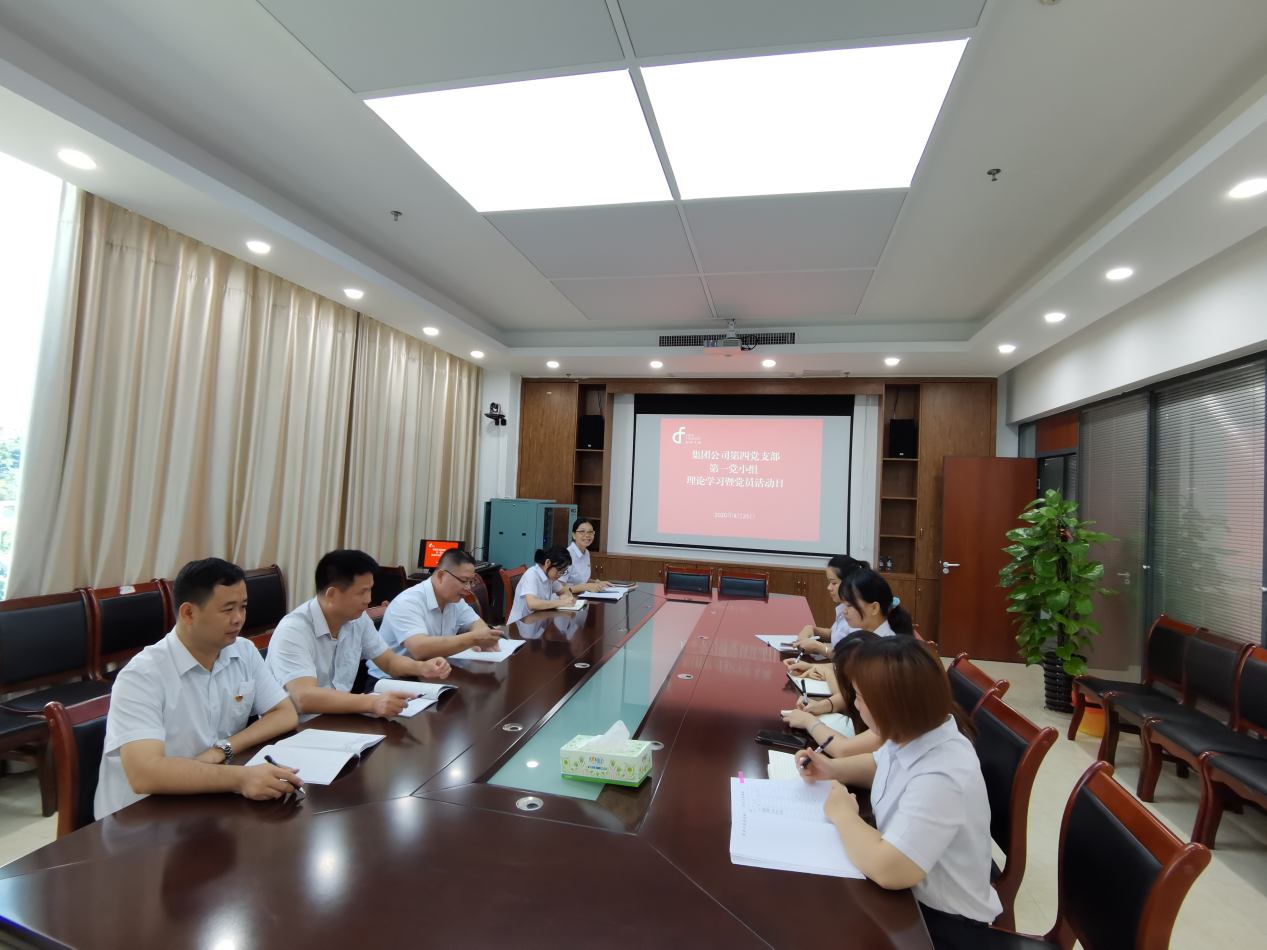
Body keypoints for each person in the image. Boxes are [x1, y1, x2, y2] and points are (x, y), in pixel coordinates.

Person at [794, 637, 1000, 949]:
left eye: (860, 698)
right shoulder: (912, 729)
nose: (857, 705)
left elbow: (889, 869)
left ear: (891, 704)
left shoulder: (943, 773)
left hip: (941, 922)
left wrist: (841, 812)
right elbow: (879, 765)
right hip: (908, 897)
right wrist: (833, 770)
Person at [95, 558, 302, 820]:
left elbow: (284, 713)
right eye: (227, 609)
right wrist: (241, 778)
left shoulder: (243, 651)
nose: (239, 619)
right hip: (142, 820)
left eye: (243, 607)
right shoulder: (142, 676)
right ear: (189, 613)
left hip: (208, 799)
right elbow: (144, 774)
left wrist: (222, 750)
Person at [266, 550, 453, 721]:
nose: (369, 599)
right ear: (332, 594)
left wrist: (422, 667)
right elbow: (305, 698)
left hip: (338, 718)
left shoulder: (357, 619)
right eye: (362, 592)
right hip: (294, 729)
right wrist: (372, 703)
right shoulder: (293, 631)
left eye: (370, 589)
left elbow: (388, 662)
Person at [369, 548, 502, 676]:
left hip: (432, 673)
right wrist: (474, 639)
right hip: (391, 679)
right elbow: (420, 649)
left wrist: (483, 638)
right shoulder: (408, 602)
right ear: (441, 575)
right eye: (463, 581)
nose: (467, 588)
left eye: (470, 582)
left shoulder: (454, 600)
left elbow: (476, 623)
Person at [782, 631, 883, 758]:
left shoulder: (888, 721)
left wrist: (809, 722)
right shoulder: (877, 681)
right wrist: (823, 705)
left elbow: (842, 750)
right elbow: (847, 697)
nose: (856, 704)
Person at [788, 555, 868, 660]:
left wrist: (820, 648)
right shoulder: (844, 607)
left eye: (834, 583)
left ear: (849, 582)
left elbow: (851, 660)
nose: (829, 588)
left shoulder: (858, 615)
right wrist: (812, 629)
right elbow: (834, 633)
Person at [507, 545, 576, 623]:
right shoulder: (532, 575)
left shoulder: (550, 576)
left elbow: (564, 590)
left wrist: (565, 596)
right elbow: (532, 604)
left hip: (538, 619)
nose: (561, 575)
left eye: (564, 571)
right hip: (523, 623)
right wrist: (561, 603)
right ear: (547, 562)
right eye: (560, 570)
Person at [840, 569, 914, 637]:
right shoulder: (861, 634)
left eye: (850, 605)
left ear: (874, 608)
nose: (843, 610)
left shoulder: (887, 647)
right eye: (844, 603)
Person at [561, 518, 611, 593]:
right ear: (574, 535)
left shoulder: (586, 552)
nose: (587, 535)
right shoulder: (566, 555)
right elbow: (559, 589)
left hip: (581, 597)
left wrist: (597, 582)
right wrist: (585, 587)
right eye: (582, 531)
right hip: (566, 599)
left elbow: (582, 579)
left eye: (590, 532)